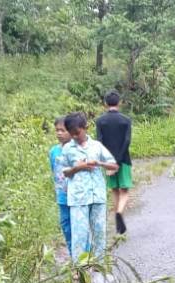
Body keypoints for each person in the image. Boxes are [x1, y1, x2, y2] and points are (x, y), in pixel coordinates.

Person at [56, 112, 119, 262]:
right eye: (72, 134)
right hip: (78, 198)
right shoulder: (67, 149)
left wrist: (99, 163)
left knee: (99, 233)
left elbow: (114, 165)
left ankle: (99, 266)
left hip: (97, 196)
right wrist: (78, 167)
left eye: (77, 133)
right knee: (79, 235)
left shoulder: (97, 146)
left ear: (86, 128)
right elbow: (64, 172)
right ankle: (80, 269)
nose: (75, 137)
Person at [96, 90, 133, 234]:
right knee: (125, 190)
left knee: (114, 189)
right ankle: (119, 212)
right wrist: (118, 160)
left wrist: (108, 161)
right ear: (120, 102)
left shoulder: (100, 121)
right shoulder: (126, 120)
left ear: (105, 103)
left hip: (108, 162)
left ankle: (117, 215)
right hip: (123, 160)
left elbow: (99, 141)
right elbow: (127, 140)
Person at [48, 117, 73, 253]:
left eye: (62, 130)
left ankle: (85, 258)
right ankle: (74, 257)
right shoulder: (53, 152)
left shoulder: (77, 149)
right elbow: (54, 172)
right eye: (57, 130)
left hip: (77, 196)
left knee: (79, 227)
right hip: (62, 195)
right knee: (66, 226)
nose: (59, 133)